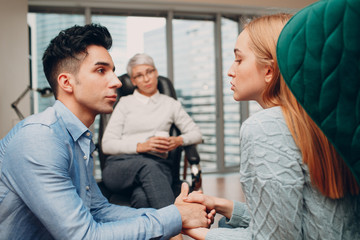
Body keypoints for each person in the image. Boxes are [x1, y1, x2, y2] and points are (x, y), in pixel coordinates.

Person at [0, 24, 212, 239]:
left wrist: (175, 216)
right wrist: (175, 217)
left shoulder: (79, 138)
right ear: (66, 82)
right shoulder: (39, 139)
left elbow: (99, 210)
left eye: (112, 70)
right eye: (101, 70)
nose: (117, 81)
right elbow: (84, 236)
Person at [182, 12, 360, 240]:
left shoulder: (266, 127)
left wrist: (201, 234)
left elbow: (276, 238)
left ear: (269, 70)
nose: (230, 70)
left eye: (239, 59)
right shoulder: (323, 118)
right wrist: (221, 204)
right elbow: (300, 219)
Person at [101, 53, 202, 209]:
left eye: (149, 72)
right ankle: (177, 230)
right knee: (148, 167)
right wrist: (141, 146)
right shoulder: (124, 103)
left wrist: (178, 141)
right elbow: (107, 145)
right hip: (121, 166)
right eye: (139, 76)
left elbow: (196, 134)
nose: (146, 79)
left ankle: (157, 232)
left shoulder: (170, 104)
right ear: (133, 81)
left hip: (159, 166)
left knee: (143, 198)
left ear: (156, 73)